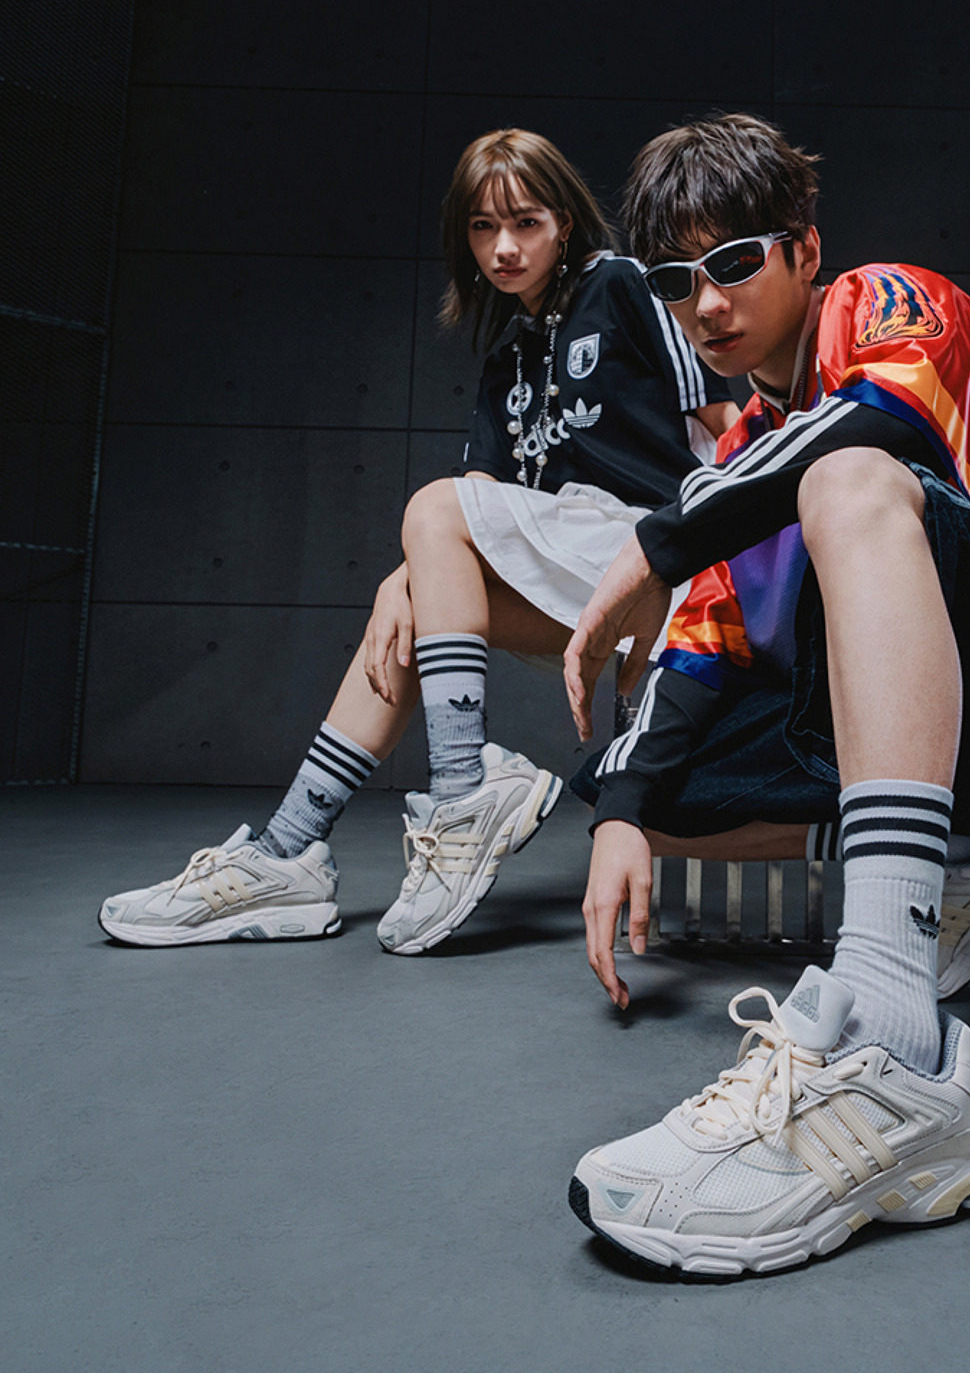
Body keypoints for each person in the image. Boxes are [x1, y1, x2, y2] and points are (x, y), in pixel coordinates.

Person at [560, 114, 970, 1275]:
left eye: (733, 263)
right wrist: (622, 814)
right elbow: (700, 644)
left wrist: (658, 536)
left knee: (847, 474)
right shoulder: (744, 450)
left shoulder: (887, 301)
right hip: (945, 732)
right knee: (644, 782)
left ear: (804, 251)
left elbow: (880, 423)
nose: (708, 304)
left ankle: (896, 1034)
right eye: (677, 282)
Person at [98, 129, 734, 955]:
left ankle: (463, 792)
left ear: (566, 225)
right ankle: (288, 851)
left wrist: (745, 574)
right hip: (582, 578)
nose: (503, 248)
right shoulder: (506, 357)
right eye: (482, 228)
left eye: (526, 223)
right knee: (403, 612)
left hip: (665, 558)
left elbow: (727, 426)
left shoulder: (621, 286)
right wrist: (399, 584)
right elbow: (478, 513)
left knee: (433, 517)